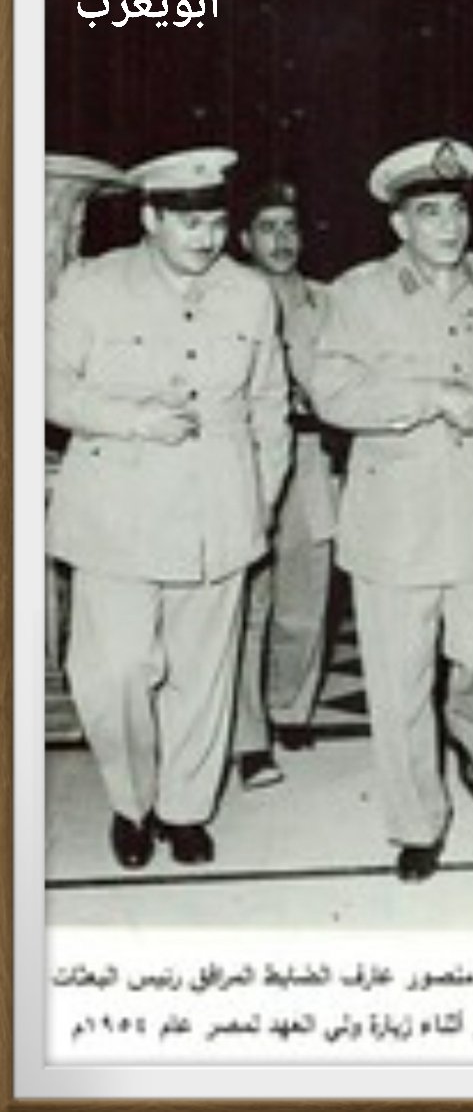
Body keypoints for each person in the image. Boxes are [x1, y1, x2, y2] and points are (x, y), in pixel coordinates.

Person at [46, 147, 291, 868]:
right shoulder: (93, 286)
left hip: (219, 508)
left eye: (215, 222)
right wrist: (130, 419)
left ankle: (186, 809)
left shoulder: (250, 294)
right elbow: (42, 384)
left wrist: (261, 498)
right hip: (115, 514)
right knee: (113, 671)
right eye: (190, 224)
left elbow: (269, 406)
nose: (207, 238)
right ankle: (132, 800)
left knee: (202, 674)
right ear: (151, 218)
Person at [310, 137, 473, 882]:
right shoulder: (358, 293)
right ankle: (417, 823)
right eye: (430, 212)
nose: (449, 226)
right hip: (394, 521)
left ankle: (472, 740)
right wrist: (427, 396)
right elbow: (331, 394)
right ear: (399, 224)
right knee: (398, 682)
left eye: (457, 209)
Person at [231, 177, 340, 788]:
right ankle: (250, 738)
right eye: (267, 228)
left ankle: (290, 708)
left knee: (305, 597)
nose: (281, 240)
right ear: (244, 239)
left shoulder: (328, 303)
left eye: (290, 228)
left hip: (312, 457)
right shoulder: (229, 300)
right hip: (245, 460)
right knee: (249, 603)